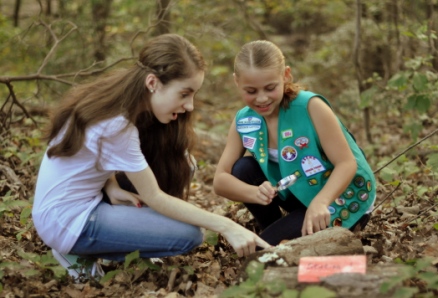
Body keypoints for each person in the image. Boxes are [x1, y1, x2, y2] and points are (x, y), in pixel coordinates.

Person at [32, 34, 270, 281]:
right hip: (68, 222)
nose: (189, 105)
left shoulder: (112, 102)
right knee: (189, 235)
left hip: (67, 209)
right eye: (184, 94)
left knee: (183, 164)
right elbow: (154, 197)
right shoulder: (117, 126)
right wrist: (228, 226)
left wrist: (111, 184)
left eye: (193, 95)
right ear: (153, 83)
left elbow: (90, 155)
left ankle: (119, 238)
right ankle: (78, 253)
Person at [213, 40, 376, 246]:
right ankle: (274, 229)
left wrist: (321, 202)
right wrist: (256, 193)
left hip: (338, 197)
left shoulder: (310, 106)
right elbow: (220, 180)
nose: (261, 99)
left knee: (262, 254)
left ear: (286, 75)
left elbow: (347, 163)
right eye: (251, 91)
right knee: (243, 168)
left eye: (270, 88)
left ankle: (278, 236)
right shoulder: (244, 120)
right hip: (298, 194)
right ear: (237, 82)